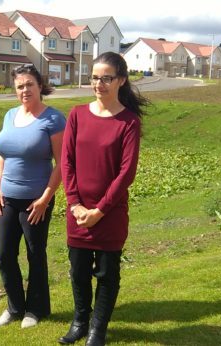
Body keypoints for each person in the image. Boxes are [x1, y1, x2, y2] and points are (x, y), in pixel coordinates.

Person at [59, 52, 148, 345]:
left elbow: (126, 174)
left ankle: (98, 329)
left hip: (109, 214)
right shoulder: (76, 114)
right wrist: (75, 205)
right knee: (79, 272)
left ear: (120, 81)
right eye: (95, 77)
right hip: (78, 213)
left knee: (107, 275)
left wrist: (99, 210)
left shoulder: (129, 122)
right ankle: (80, 322)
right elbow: (67, 161)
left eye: (106, 78)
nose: (99, 84)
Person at [0, 64, 66, 329]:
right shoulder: (10, 115)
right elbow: (3, 155)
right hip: (7, 198)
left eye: (29, 85)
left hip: (36, 200)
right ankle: (14, 307)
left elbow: (62, 163)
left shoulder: (54, 119)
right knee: (4, 255)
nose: (25, 90)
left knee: (35, 254)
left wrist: (46, 198)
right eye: (20, 86)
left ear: (40, 85)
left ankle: (36, 309)